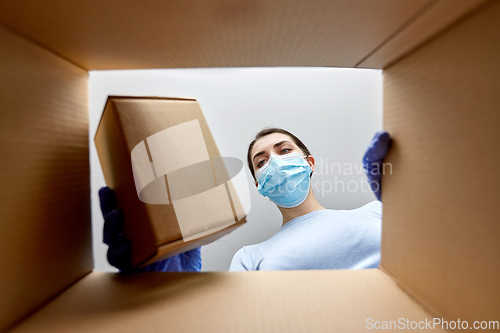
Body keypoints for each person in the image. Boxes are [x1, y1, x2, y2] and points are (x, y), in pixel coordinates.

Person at [99, 129, 391, 272]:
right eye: (261, 162)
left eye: (284, 150)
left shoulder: (376, 212)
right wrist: (165, 292)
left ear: (309, 163)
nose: (274, 163)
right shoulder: (249, 257)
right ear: (259, 185)